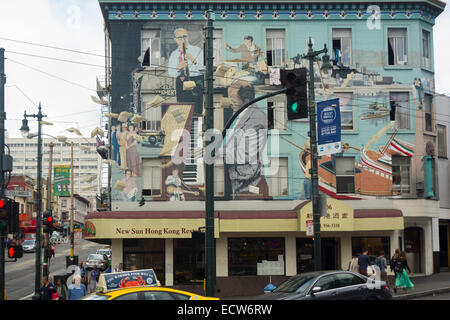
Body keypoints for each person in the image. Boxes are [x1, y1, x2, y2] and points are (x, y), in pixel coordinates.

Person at [223, 80, 268, 197]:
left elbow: (245, 154)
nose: (230, 102)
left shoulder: (257, 120)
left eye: (233, 98)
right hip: (237, 182)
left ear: (246, 100)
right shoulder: (241, 112)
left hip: (247, 188)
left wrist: (215, 153)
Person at [168, 28, 204, 115]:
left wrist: (193, 60)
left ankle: (196, 125)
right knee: (182, 108)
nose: (183, 39)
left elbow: (203, 68)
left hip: (196, 80)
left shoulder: (197, 50)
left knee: (196, 109)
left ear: (188, 37)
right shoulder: (174, 54)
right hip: (181, 81)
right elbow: (170, 72)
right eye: (180, 37)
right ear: (175, 40)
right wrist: (178, 68)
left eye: (185, 36)